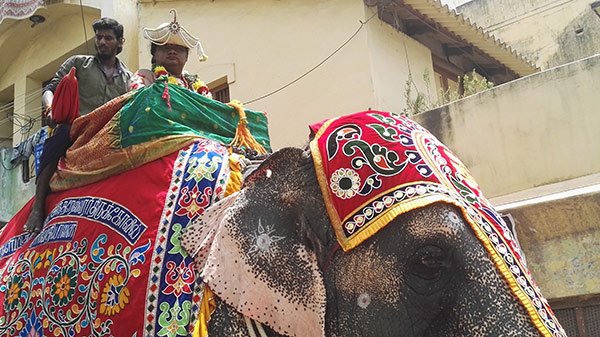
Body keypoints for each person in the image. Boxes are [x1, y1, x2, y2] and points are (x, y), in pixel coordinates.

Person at [24, 17, 132, 233]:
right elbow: (50, 89)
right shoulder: (77, 63)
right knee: (58, 136)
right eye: (99, 37)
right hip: (75, 127)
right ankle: (37, 208)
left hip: (107, 132)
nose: (101, 42)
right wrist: (50, 108)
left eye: (108, 38)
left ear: (120, 43)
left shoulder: (128, 78)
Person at [128, 9, 211, 97]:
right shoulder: (143, 76)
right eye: (166, 47)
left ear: (186, 57)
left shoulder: (195, 86)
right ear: (154, 53)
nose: (172, 51)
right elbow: (141, 100)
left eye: (178, 48)